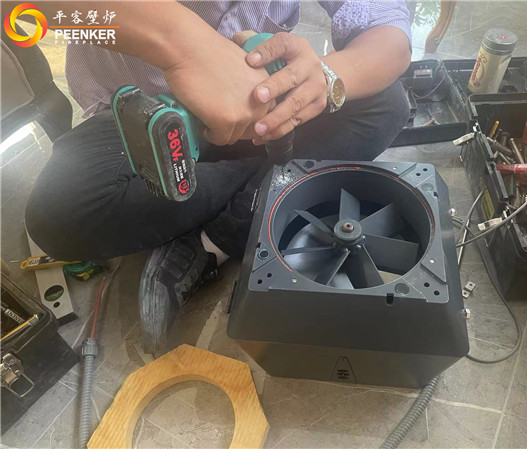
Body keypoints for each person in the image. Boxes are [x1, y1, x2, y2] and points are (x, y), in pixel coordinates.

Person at [23, 1, 413, 354]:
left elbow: (388, 28)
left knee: (386, 103)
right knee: (61, 212)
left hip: (262, 106)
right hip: (148, 117)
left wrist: (323, 79)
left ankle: (217, 240)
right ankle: (267, 184)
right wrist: (182, 43)